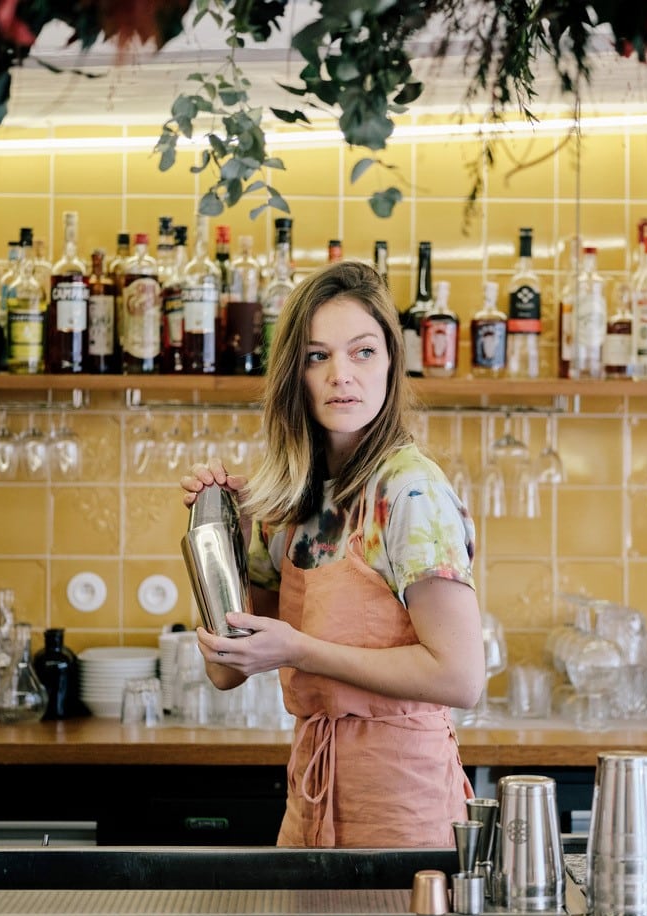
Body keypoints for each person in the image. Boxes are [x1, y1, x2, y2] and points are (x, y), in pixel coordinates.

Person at [180, 259, 485, 848]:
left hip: (404, 812)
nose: (341, 375)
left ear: (391, 362)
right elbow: (225, 668)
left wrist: (299, 650)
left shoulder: (410, 491)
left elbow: (460, 676)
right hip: (309, 809)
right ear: (294, 374)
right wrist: (219, 534)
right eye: (317, 356)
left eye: (363, 352)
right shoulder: (289, 497)